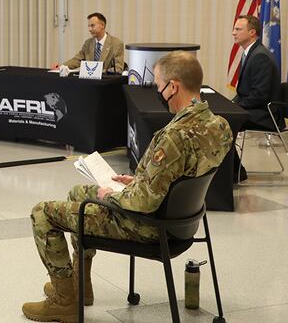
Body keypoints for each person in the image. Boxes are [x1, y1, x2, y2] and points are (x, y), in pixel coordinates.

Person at [22, 51, 233, 322]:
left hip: (149, 227)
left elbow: (144, 203)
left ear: (174, 86)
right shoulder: (219, 126)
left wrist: (114, 196)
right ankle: (80, 287)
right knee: (78, 193)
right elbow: (184, 174)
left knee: (42, 212)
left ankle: (64, 302)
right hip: (184, 222)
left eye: (159, 85)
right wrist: (139, 181)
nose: (158, 90)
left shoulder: (173, 136)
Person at [230, 14, 282, 181]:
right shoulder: (251, 52)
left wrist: (233, 108)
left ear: (252, 32)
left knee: (223, 122)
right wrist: (231, 104)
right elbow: (246, 92)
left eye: (238, 29)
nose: (233, 32)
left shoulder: (260, 56)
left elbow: (259, 96)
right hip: (255, 108)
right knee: (223, 119)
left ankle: (235, 172)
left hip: (265, 114)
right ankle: (233, 170)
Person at [51, 12, 125, 73]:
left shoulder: (116, 44)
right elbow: (77, 60)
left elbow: (118, 69)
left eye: (92, 26)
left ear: (102, 25)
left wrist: (98, 72)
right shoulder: (88, 43)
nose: (89, 29)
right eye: (89, 26)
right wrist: (62, 66)